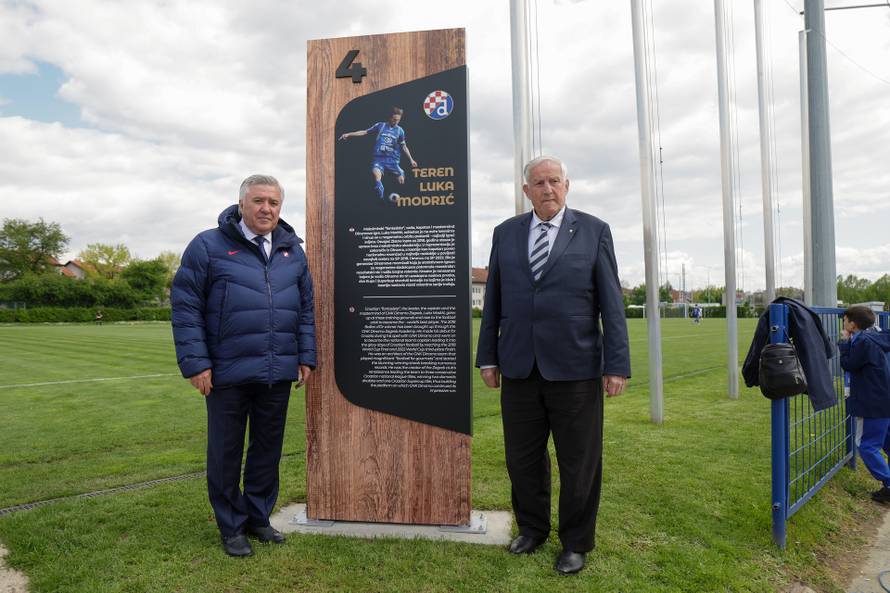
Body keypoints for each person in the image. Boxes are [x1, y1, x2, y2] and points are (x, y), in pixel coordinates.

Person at [476, 156, 630, 575]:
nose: (548, 189)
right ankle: (532, 528)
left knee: (579, 460)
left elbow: (611, 305)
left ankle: (576, 542)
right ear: (526, 191)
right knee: (522, 458)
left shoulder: (594, 231)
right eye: (539, 183)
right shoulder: (505, 234)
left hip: (576, 369)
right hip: (520, 367)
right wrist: (487, 355)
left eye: (555, 181)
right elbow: (495, 300)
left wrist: (616, 364)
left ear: (567, 185)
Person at [171, 174, 316, 557]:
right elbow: (186, 309)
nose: (266, 209)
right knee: (226, 452)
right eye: (258, 201)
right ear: (241, 205)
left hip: (277, 370)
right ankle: (231, 526)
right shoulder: (208, 246)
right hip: (226, 373)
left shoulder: (292, 251)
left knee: (267, 450)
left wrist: (305, 356)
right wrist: (196, 364)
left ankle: (258, 518)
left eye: (273, 202)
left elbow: (305, 310)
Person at [838, 305, 890, 504]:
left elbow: (849, 364)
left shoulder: (863, 342)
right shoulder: (876, 337)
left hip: (872, 402)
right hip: (884, 399)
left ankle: (888, 483)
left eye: (844, 320)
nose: (843, 324)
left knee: (866, 446)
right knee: (886, 441)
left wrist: (843, 343)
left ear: (853, 324)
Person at [338, 106, 418, 199]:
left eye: (398, 120)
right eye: (394, 119)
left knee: (401, 181)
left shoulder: (400, 131)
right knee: (376, 174)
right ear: (390, 117)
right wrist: (349, 134)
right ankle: (380, 191)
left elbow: (404, 146)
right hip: (379, 158)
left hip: (392, 160)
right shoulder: (380, 126)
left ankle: (398, 180)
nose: (396, 122)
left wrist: (411, 160)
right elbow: (364, 132)